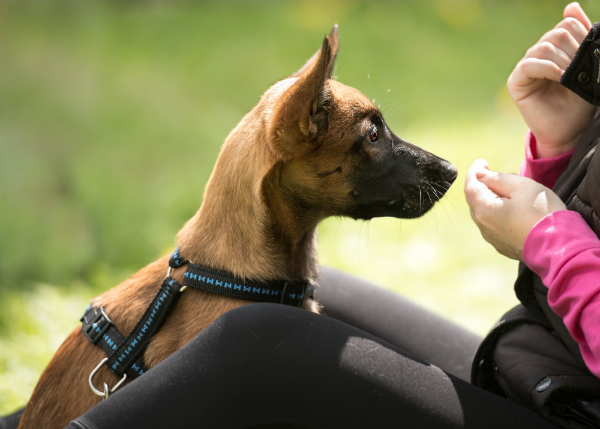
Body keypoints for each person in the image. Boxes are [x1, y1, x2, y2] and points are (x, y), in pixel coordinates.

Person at [1, 3, 597, 429]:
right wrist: (564, 150)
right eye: (372, 138)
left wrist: (553, 243)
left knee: (262, 330)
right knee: (292, 295)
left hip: (571, 402)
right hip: (540, 364)